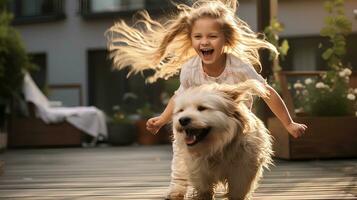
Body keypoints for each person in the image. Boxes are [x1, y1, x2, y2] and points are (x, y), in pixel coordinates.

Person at [106, 0, 307, 198]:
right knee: (181, 140)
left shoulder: (239, 67)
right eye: (198, 36)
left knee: (245, 158)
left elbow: (267, 92)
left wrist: (288, 123)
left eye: (212, 36)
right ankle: (180, 184)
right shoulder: (191, 68)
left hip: (235, 124)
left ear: (226, 39)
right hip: (201, 127)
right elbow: (179, 97)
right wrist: (162, 119)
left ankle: (237, 190)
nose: (204, 41)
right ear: (191, 40)